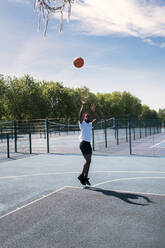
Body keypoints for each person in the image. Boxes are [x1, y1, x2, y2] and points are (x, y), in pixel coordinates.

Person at [78, 99, 99, 185]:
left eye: (88, 116)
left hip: (88, 144)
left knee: (89, 161)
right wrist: (83, 106)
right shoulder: (82, 124)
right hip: (83, 143)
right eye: (86, 116)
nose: (87, 117)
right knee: (88, 161)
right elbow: (79, 116)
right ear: (84, 118)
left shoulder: (90, 125)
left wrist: (94, 111)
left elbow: (98, 118)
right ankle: (82, 176)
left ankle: (85, 177)